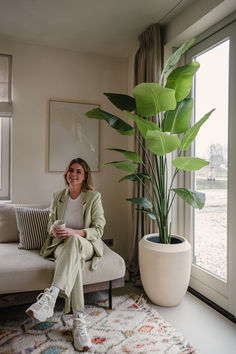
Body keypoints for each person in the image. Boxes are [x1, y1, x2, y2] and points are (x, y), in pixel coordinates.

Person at [25, 157, 105, 352]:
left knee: (75, 241)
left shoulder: (93, 197)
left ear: (85, 176)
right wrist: (53, 229)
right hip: (61, 245)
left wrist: (74, 233)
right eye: (71, 170)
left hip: (85, 243)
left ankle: (51, 295)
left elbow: (99, 229)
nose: (73, 174)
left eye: (78, 171)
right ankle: (78, 321)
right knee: (73, 261)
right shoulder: (57, 196)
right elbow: (50, 222)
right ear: (66, 174)